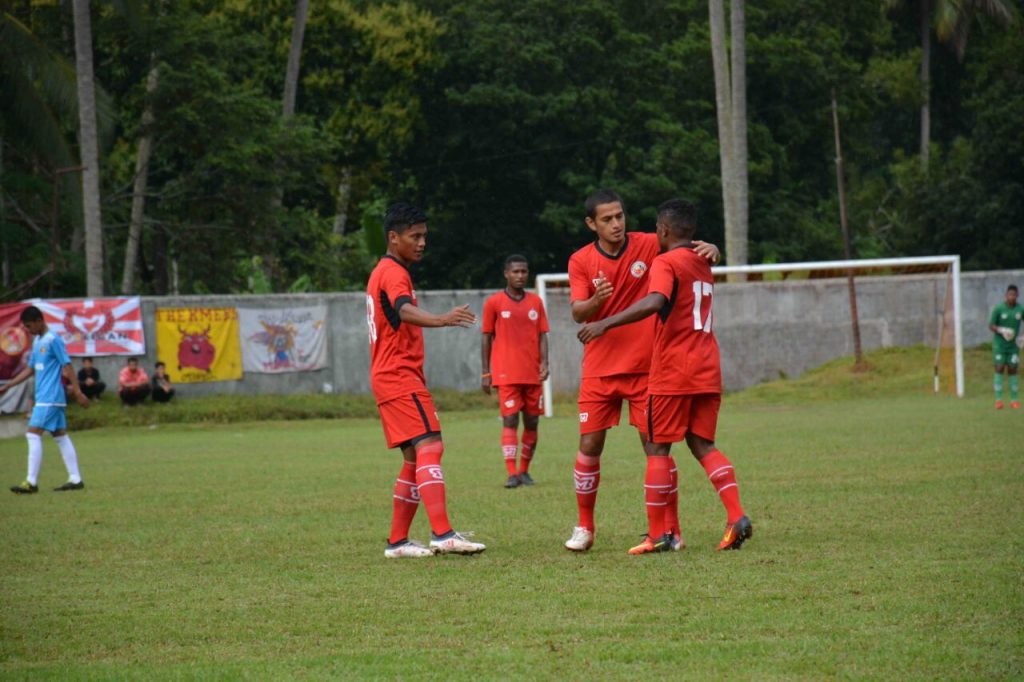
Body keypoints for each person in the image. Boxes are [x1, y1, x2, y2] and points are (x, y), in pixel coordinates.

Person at [578, 198, 752, 553]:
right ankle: (736, 516)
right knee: (702, 444)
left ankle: (658, 535)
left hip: (674, 369)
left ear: (662, 230)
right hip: (707, 367)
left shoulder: (665, 261)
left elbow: (656, 301)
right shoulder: (702, 260)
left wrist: (605, 323)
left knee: (657, 448)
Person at [367, 201, 487, 559]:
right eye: (414, 236)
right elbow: (403, 310)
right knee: (430, 444)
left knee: (412, 457)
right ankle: (443, 534)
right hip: (398, 375)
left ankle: (398, 541)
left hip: (389, 375)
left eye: (424, 236)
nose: (422, 243)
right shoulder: (393, 273)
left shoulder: (383, 271)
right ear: (393, 237)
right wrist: (443, 319)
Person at [0, 305, 89, 493]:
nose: (28, 330)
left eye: (29, 326)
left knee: (33, 434)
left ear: (40, 321)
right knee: (60, 436)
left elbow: (67, 365)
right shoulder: (38, 341)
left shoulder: (53, 339)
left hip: (50, 397)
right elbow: (30, 369)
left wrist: (78, 392)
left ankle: (31, 482)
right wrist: (8, 385)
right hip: (47, 398)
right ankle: (75, 479)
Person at [481, 254, 550, 488]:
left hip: (532, 373)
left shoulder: (536, 303)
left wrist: (545, 363)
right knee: (510, 419)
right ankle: (511, 473)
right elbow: (486, 337)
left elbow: (542, 335)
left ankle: (524, 471)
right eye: (515, 272)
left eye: (523, 271)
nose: (520, 276)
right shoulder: (494, 303)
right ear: (506, 274)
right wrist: (485, 372)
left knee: (532, 422)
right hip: (505, 373)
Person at [989, 284, 1023, 410]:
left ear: (1017, 296)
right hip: (1000, 345)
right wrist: (1001, 330)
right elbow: (991, 325)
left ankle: (1014, 400)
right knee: (999, 368)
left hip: (1014, 346)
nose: (1012, 297)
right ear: (1006, 295)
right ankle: (998, 400)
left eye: (1014, 295)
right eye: (1010, 295)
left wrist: (1022, 337)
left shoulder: (1020, 309)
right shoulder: (999, 309)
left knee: (1013, 369)